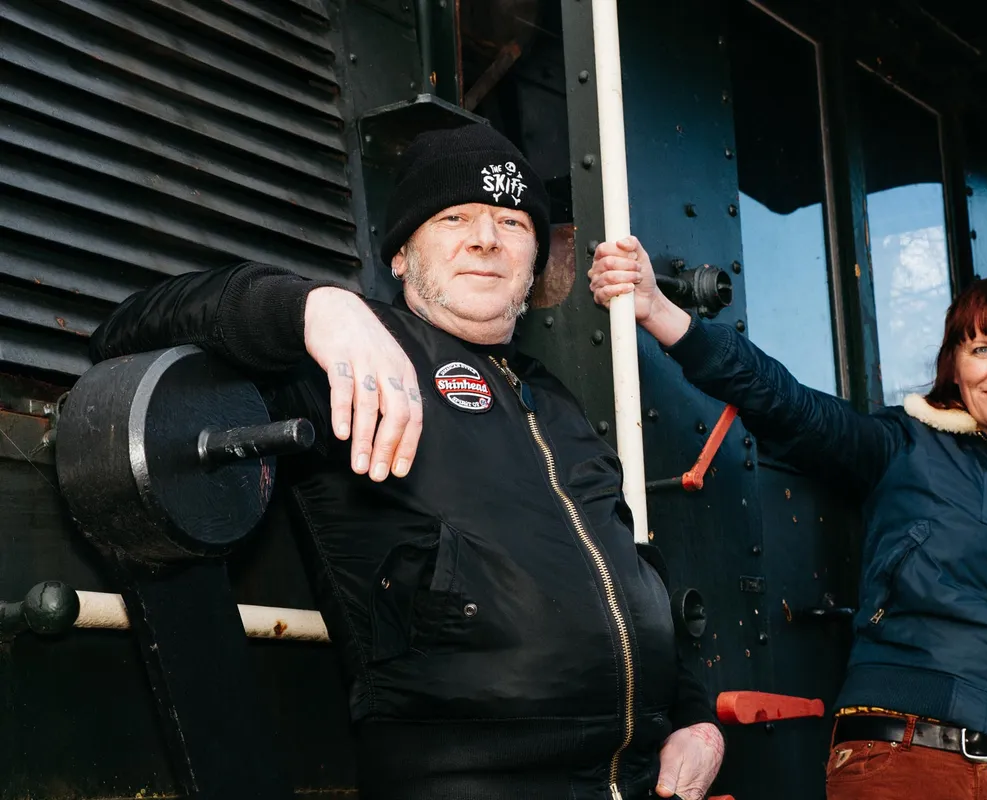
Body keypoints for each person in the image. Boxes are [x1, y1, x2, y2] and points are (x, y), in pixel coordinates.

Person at [87, 124, 724, 800]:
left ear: (534, 262)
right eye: (454, 218)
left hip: (640, 780)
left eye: (512, 222)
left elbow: (630, 576)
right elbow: (124, 330)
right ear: (399, 255)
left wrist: (695, 719)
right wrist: (312, 308)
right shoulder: (348, 358)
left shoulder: (560, 404)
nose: (486, 238)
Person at [588, 236, 987, 799]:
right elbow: (786, 403)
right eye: (982, 349)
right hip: (902, 757)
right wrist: (660, 311)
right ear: (955, 365)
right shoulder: (902, 446)